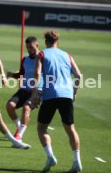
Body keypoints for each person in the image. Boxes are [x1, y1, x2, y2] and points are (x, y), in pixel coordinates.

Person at [31, 29, 82, 172]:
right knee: (70, 129)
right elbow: (78, 76)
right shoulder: (67, 55)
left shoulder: (41, 54)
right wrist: (74, 92)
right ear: (57, 42)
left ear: (46, 42)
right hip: (67, 94)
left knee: (42, 128)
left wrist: (35, 96)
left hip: (50, 95)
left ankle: (50, 156)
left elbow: (37, 75)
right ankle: (77, 161)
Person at [6, 36, 43, 142]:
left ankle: (19, 136)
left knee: (26, 108)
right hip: (24, 90)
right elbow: (22, 74)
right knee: (9, 106)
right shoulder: (25, 59)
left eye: (31, 47)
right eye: (27, 47)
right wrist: (11, 75)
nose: (29, 50)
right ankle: (19, 126)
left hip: (37, 90)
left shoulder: (43, 58)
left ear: (37, 45)